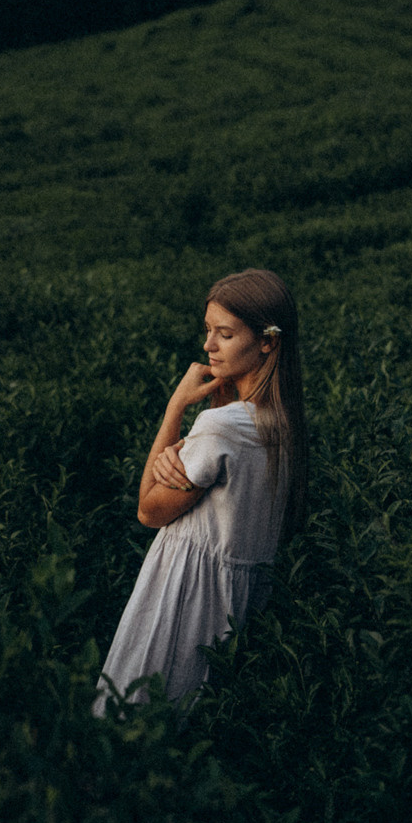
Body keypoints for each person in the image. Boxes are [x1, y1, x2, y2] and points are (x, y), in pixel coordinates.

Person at [93, 268, 306, 717]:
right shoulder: (285, 422)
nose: (208, 346)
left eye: (225, 334)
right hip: (237, 605)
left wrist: (176, 408)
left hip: (184, 595)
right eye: (207, 330)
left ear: (267, 342)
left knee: (135, 717)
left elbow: (149, 511)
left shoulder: (221, 426)